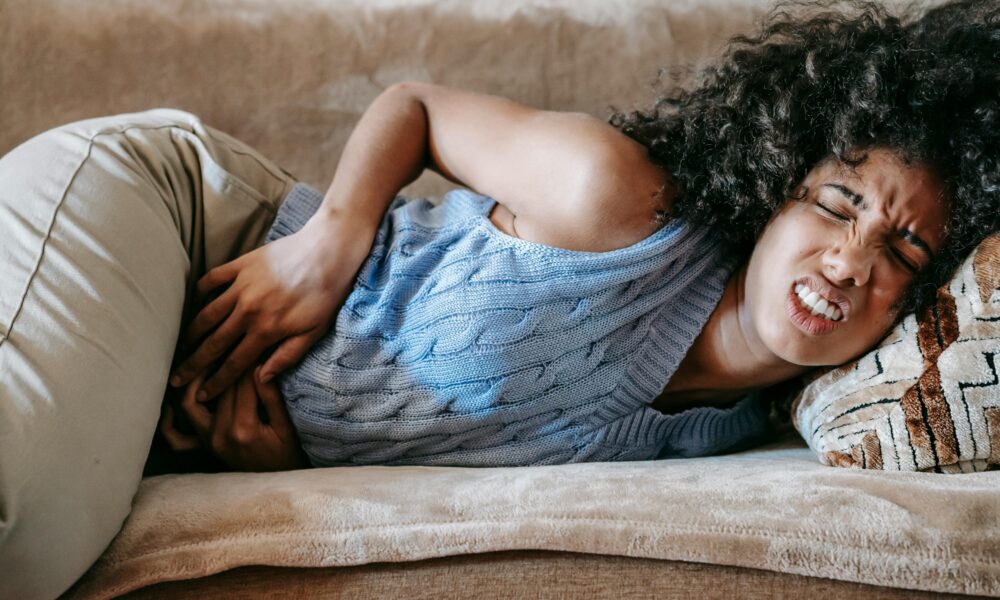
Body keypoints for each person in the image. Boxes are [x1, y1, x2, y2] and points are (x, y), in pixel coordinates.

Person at [160, 0, 1000, 471]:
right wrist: (327, 246)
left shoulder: (743, 428)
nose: (850, 262)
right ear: (776, 184)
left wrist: (296, 461)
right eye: (838, 204)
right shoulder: (625, 204)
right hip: (193, 233)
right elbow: (414, 108)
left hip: (188, 405)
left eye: (905, 251)